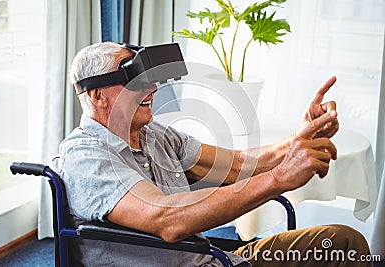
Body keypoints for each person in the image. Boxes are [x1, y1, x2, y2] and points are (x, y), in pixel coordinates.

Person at [52, 42, 373, 267]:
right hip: (201, 259)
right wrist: (279, 179)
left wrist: (298, 140)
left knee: (342, 244)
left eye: (150, 80)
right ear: (97, 95)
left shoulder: (156, 134)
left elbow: (233, 165)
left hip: (213, 257)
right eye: (136, 82)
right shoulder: (86, 157)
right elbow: (168, 218)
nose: (152, 90)